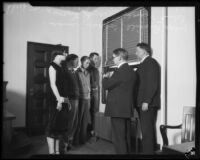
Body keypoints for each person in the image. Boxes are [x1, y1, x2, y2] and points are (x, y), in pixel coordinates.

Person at [102, 48, 137, 154]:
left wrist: (104, 77)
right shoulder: (131, 71)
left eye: (114, 57)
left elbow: (106, 85)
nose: (113, 59)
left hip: (117, 110)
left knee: (118, 138)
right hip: (126, 109)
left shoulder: (119, 71)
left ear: (120, 57)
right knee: (125, 136)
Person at [135, 42, 160, 154]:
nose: (136, 53)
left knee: (147, 131)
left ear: (144, 51)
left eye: (137, 51)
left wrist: (146, 101)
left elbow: (152, 84)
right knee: (147, 130)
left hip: (147, 103)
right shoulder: (144, 63)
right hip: (143, 102)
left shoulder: (151, 62)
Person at [46, 50, 70, 155]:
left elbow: (64, 86)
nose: (66, 55)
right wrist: (58, 99)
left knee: (59, 127)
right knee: (52, 127)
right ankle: (52, 152)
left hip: (63, 99)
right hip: (56, 100)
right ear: (57, 55)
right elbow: (53, 84)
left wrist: (67, 101)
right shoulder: (52, 66)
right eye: (64, 54)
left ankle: (56, 151)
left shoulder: (61, 66)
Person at [63, 54, 80, 151]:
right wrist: (68, 100)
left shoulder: (74, 72)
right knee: (70, 122)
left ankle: (69, 141)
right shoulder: (65, 72)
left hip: (76, 99)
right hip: (70, 100)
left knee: (75, 122)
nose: (78, 63)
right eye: (76, 61)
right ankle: (65, 144)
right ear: (71, 61)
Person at [76, 56, 91, 144]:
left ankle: (83, 139)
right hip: (80, 98)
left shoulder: (88, 73)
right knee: (79, 120)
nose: (88, 64)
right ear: (82, 62)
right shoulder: (77, 72)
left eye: (89, 63)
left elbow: (88, 85)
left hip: (87, 98)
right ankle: (76, 140)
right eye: (86, 63)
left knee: (85, 120)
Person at [87, 52, 100, 140]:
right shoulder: (92, 69)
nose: (97, 60)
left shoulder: (94, 69)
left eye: (97, 59)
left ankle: (92, 132)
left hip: (93, 92)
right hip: (91, 93)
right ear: (90, 59)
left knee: (92, 112)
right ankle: (92, 132)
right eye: (95, 58)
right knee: (93, 112)